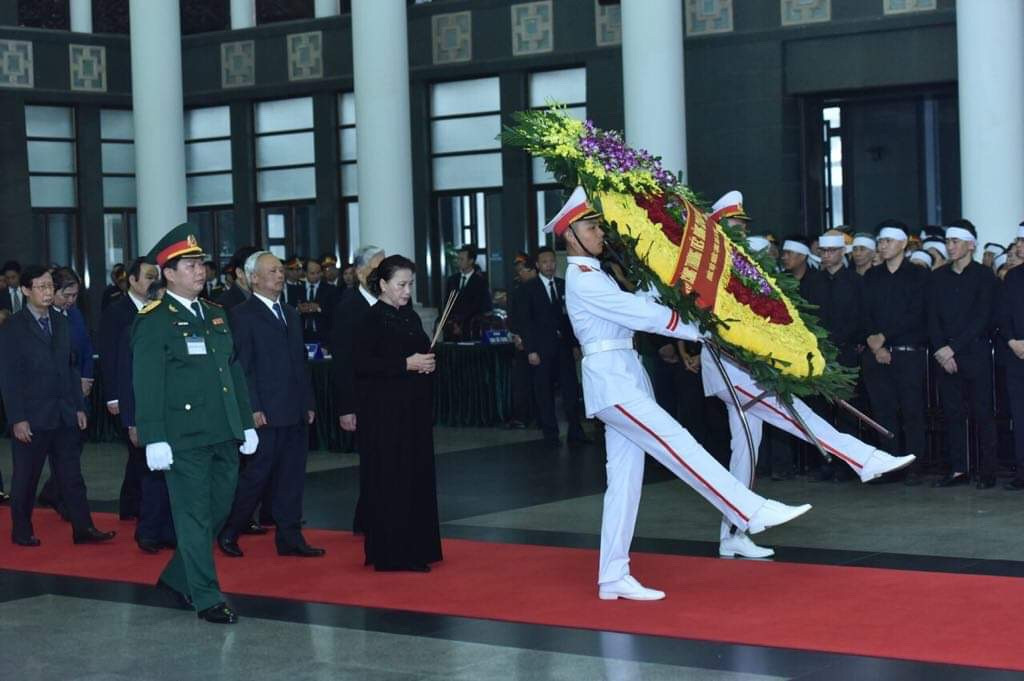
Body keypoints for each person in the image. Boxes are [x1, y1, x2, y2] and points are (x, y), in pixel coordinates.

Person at [550, 187, 813, 601]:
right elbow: (640, 315)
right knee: (677, 442)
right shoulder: (583, 281)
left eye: (598, 225)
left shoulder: (596, 275)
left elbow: (637, 303)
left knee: (624, 483)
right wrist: (700, 327)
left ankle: (612, 575)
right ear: (570, 235)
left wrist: (670, 287)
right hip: (613, 381)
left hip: (625, 375)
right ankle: (747, 508)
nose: (600, 233)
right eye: (590, 226)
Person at [131, 223, 258, 624]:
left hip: (222, 430)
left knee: (220, 510)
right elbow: (146, 382)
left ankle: (174, 576)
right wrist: (154, 436)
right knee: (194, 516)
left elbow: (232, 372)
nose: (199, 271)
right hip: (182, 436)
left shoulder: (216, 314)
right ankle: (206, 597)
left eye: (201, 263)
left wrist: (245, 421)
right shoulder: (155, 319)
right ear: (168, 273)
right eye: (189, 265)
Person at [217, 252, 324, 559]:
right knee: (256, 477)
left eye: (281, 270)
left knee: (292, 477)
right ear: (253, 278)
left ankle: (290, 537)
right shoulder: (242, 314)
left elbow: (299, 364)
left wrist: (308, 402)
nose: (280, 275)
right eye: (273, 271)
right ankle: (230, 530)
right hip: (265, 411)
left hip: (294, 409)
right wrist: (252, 407)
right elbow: (241, 366)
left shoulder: (290, 313)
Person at [0, 265, 115, 547]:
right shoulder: (14, 326)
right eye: (41, 287)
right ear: (26, 290)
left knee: (72, 476)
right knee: (26, 478)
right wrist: (17, 418)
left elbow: (69, 368)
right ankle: (22, 530)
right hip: (32, 416)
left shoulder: (61, 321)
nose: (48, 292)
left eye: (50, 286)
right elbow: (9, 377)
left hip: (63, 412)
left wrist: (78, 407)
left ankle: (83, 528)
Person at [354, 255, 442, 572]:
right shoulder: (371, 319)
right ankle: (394, 552)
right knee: (393, 480)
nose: (407, 291)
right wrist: (406, 364)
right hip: (385, 414)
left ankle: (419, 545)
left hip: (413, 411)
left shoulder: (409, 316)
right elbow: (362, 365)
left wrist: (427, 362)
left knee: (416, 475)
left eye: (410, 284)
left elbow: (420, 350)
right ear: (383, 284)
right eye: (401, 285)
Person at [928, 220, 998, 488]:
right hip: (944, 357)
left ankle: (987, 470)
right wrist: (941, 351)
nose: (950, 247)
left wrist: (953, 348)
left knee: (982, 412)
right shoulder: (937, 277)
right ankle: (958, 468)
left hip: (975, 353)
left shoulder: (984, 276)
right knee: (952, 413)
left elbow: (982, 317)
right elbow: (931, 317)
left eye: (955, 242)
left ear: (971, 244)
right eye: (947, 242)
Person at [861, 220, 929, 485]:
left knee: (912, 411)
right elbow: (864, 312)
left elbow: (915, 315)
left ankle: (914, 466)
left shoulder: (918, 275)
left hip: (907, 352)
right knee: (883, 412)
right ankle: (889, 465)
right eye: (881, 241)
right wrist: (876, 344)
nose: (883, 246)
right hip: (875, 353)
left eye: (888, 241)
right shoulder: (871, 276)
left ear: (903, 243)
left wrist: (886, 339)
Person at [99, 258, 159, 523]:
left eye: (156, 276)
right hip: (126, 394)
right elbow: (111, 355)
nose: (153, 281)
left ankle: (131, 506)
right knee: (138, 453)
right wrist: (113, 396)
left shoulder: (157, 308)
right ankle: (135, 507)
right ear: (132, 280)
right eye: (148, 276)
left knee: (140, 456)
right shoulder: (117, 310)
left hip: (149, 394)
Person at [331, 245, 385, 533]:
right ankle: (365, 519)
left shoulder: (386, 303)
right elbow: (342, 361)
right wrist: (347, 407)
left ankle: (371, 516)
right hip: (362, 397)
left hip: (386, 397)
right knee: (372, 461)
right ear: (362, 272)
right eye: (379, 267)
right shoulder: (349, 307)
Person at [519, 246, 589, 447]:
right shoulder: (529, 288)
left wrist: (575, 344)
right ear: (538, 265)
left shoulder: (563, 285)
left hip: (564, 347)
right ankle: (550, 433)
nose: (550, 265)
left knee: (570, 390)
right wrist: (530, 349)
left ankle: (576, 430)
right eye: (545, 262)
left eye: (552, 261)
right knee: (544, 391)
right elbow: (526, 322)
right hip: (541, 349)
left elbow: (570, 318)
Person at [1001, 224, 1024, 490]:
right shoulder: (1013, 277)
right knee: (1019, 416)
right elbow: (1002, 315)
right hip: (1016, 354)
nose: (1019, 245)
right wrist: (1013, 342)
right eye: (1018, 240)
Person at [506, 253, 537, 429]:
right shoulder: (517, 288)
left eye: (522, 270)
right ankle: (522, 416)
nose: (519, 274)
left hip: (536, 340)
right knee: (521, 381)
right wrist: (515, 335)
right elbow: (513, 315)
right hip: (520, 341)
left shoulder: (540, 287)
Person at [443, 244, 492, 340]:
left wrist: (461, 324)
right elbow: (447, 304)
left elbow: (479, 306)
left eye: (462, 259)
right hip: (453, 329)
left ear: (471, 261)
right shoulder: (452, 280)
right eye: (458, 259)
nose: (458, 262)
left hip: (471, 328)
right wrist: (453, 324)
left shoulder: (480, 282)